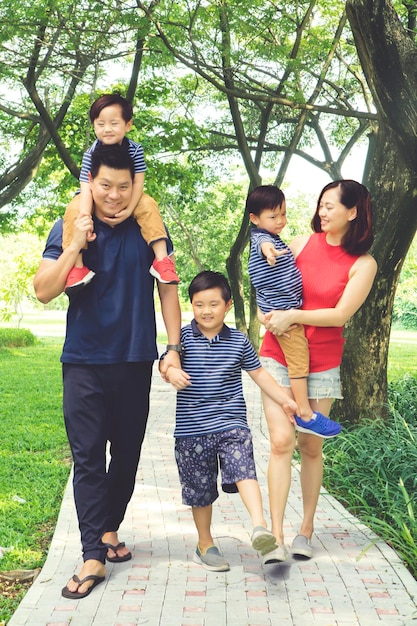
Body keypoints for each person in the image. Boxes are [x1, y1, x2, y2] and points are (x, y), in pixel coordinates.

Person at [33, 144, 182, 599]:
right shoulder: (71, 223)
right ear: (90, 183)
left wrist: (173, 347)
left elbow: (169, 289)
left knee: (129, 455)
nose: (115, 196)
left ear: (133, 185)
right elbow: (43, 290)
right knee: (87, 458)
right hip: (83, 361)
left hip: (136, 358)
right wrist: (75, 244)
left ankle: (109, 528)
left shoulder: (147, 227)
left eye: (123, 186)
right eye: (105, 186)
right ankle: (93, 553)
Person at [258, 179, 377, 561]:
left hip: (323, 361)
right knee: (281, 442)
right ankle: (275, 536)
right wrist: (266, 312)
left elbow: (340, 314)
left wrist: (293, 314)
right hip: (278, 354)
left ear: (353, 211)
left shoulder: (363, 264)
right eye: (321, 204)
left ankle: (305, 529)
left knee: (310, 445)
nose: (322, 211)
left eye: (331, 206)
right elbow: (264, 276)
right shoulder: (298, 244)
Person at [161, 270, 299, 571]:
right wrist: (171, 372)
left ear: (227, 305)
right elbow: (165, 361)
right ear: (191, 306)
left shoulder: (238, 340)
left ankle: (261, 529)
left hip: (230, 423)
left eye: (213, 304)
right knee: (200, 489)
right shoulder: (181, 337)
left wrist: (287, 400)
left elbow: (260, 374)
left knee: (243, 468)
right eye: (199, 305)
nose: (206, 311)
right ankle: (205, 543)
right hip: (191, 429)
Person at [247, 185, 341, 438]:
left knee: (298, 358)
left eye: (283, 215)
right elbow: (264, 245)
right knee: (299, 359)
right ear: (255, 219)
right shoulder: (262, 239)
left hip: (282, 311)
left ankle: (304, 411)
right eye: (273, 216)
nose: (280, 221)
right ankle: (306, 413)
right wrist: (270, 253)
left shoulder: (273, 237)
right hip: (282, 316)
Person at [62, 93, 179, 295]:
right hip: (92, 194)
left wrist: (129, 210)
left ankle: (162, 260)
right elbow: (85, 183)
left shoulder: (134, 150)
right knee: (74, 210)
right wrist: (85, 216)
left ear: (128, 125)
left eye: (114, 123)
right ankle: (77, 267)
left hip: (130, 193)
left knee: (149, 205)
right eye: (100, 124)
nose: (107, 129)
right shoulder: (91, 153)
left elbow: (138, 181)